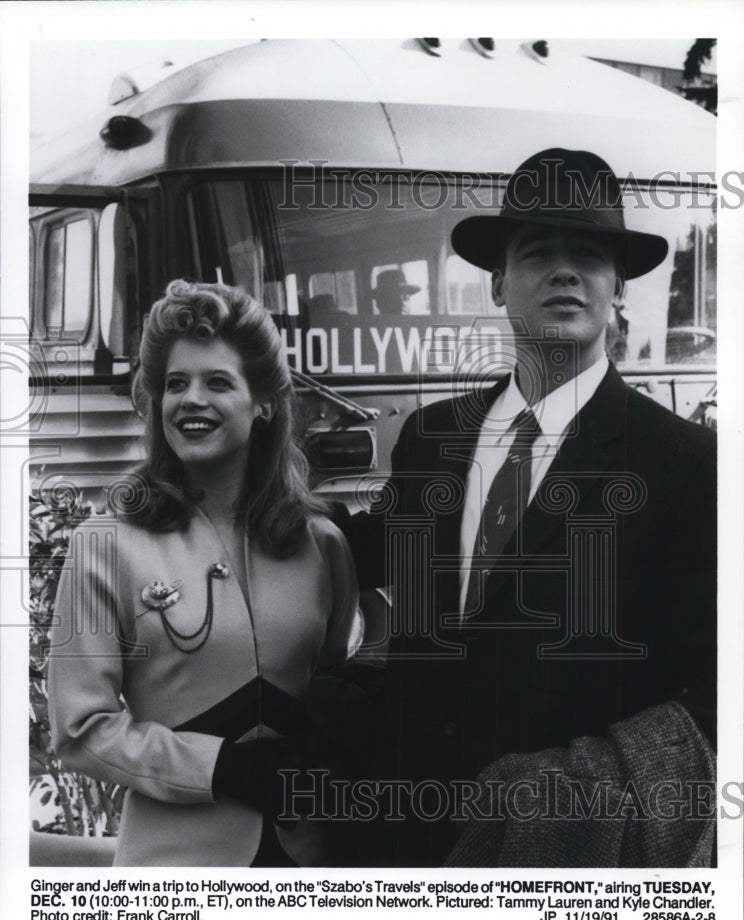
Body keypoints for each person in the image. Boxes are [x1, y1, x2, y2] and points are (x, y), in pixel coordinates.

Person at [340, 149, 716, 866]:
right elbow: (356, 549)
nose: (565, 270)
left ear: (619, 289)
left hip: (564, 870)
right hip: (404, 847)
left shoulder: (688, 465)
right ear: (497, 285)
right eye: (539, 252)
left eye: (589, 255)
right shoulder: (431, 440)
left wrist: (571, 794)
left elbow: (716, 692)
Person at [48, 280, 362, 867]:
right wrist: (221, 769)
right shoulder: (104, 544)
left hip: (309, 865)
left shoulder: (322, 543)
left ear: (264, 401)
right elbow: (79, 730)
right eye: (175, 384)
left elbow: (334, 694)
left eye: (217, 382)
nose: (191, 399)